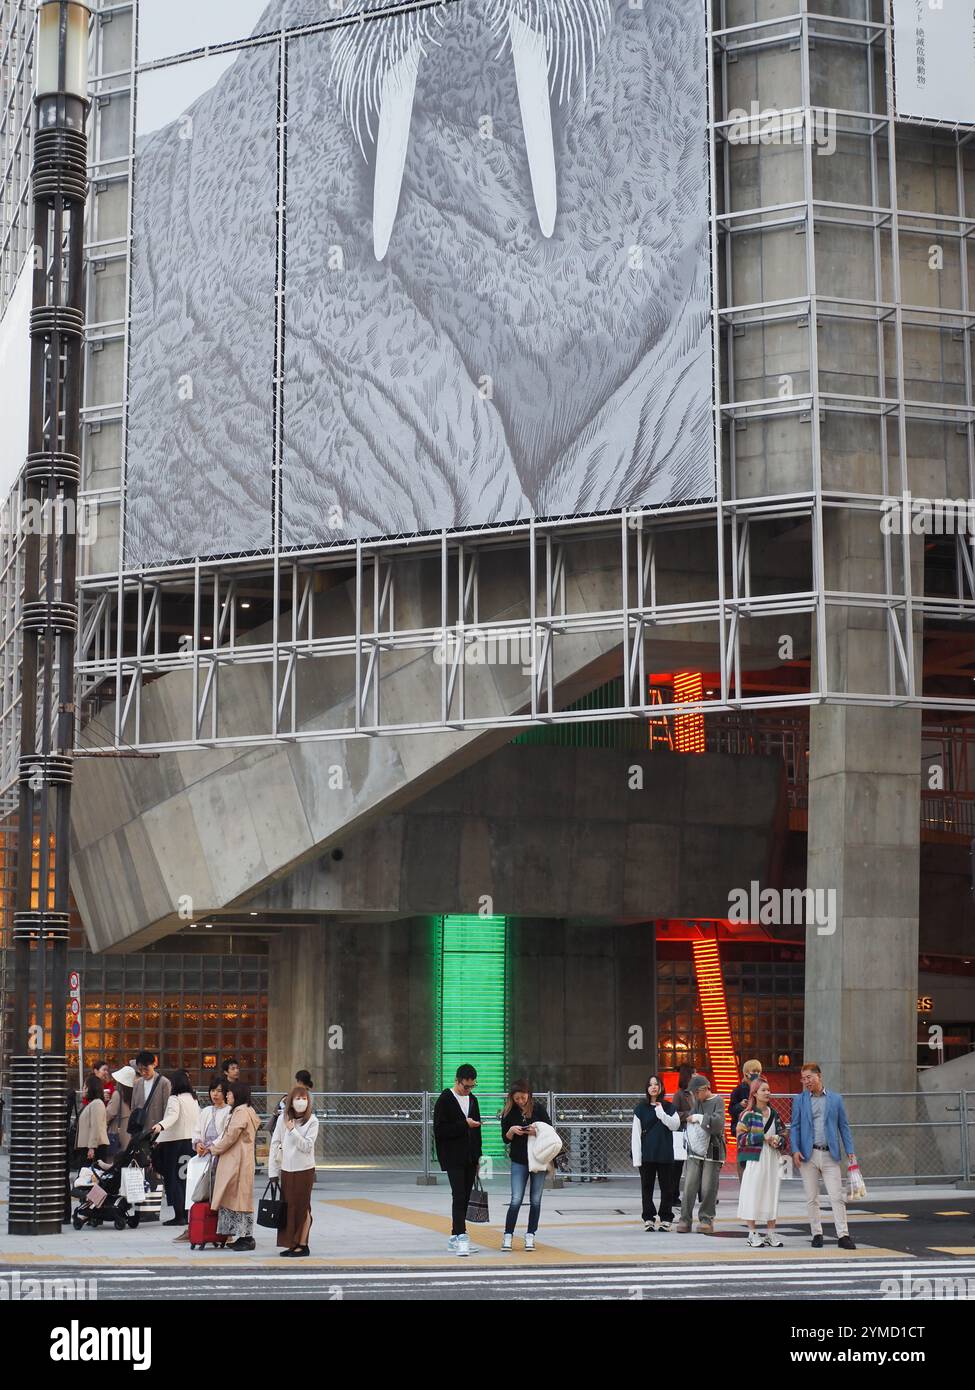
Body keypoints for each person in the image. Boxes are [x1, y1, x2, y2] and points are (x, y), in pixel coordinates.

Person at [789, 1062, 857, 1250]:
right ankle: (816, 1233)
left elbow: (844, 1126)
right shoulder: (800, 1100)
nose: (806, 1082)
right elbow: (794, 1126)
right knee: (812, 1197)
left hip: (830, 1154)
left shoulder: (835, 1099)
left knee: (837, 1196)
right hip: (807, 1155)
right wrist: (795, 1149)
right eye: (803, 1079)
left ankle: (843, 1235)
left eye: (809, 1077)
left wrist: (850, 1150)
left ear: (819, 1076)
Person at [433, 1064, 482, 1257]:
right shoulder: (445, 1100)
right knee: (459, 1195)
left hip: (470, 1156)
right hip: (453, 1156)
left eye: (472, 1086)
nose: (468, 1090)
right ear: (457, 1081)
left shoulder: (473, 1100)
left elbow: (477, 1132)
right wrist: (464, 1124)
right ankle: (462, 1236)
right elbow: (440, 1130)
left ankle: (455, 1236)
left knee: (465, 1196)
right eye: (465, 1086)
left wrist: (478, 1157)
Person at [207, 1080, 261, 1251]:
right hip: (241, 1161)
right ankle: (241, 1235)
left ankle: (247, 1237)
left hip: (237, 1162)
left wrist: (214, 1149)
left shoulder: (240, 1112)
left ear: (237, 1094)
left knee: (240, 1200)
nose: (227, 1095)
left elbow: (230, 1137)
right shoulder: (246, 1111)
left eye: (229, 1093)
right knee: (238, 1199)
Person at [500, 1081, 552, 1251]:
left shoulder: (538, 1109)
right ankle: (508, 1235)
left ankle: (530, 1235)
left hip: (538, 1159)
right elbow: (505, 1138)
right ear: (512, 1098)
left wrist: (535, 1131)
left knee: (535, 1200)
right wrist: (512, 1131)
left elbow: (550, 1130)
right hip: (519, 1159)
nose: (520, 1101)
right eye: (517, 1098)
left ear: (529, 1094)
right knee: (516, 1199)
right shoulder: (508, 1111)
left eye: (523, 1097)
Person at [268, 1085, 319, 1257]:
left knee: (303, 1207)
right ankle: (292, 1242)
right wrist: (272, 1172)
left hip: (304, 1170)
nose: (301, 1102)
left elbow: (307, 1146)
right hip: (287, 1170)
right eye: (297, 1098)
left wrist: (292, 1130)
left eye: (304, 1098)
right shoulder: (283, 1119)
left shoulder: (312, 1121)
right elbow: (275, 1144)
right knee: (289, 1207)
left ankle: (303, 1244)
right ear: (290, 1101)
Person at [736, 1078, 787, 1247]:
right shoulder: (747, 1114)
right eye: (763, 1090)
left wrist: (778, 1140)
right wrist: (763, 1137)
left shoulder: (774, 1113)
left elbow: (784, 1134)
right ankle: (752, 1233)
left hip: (773, 1157)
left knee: (772, 1193)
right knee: (753, 1193)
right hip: (755, 1158)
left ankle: (771, 1233)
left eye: (769, 1089)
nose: (767, 1093)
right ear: (755, 1093)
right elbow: (740, 1138)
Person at [675, 1074, 726, 1235]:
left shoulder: (718, 1101)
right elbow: (691, 1117)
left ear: (704, 1089)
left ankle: (706, 1219)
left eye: (697, 1093)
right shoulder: (698, 1102)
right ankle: (685, 1219)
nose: (695, 1096)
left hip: (713, 1148)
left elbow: (718, 1124)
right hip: (695, 1149)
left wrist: (699, 1118)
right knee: (690, 1184)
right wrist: (696, 1117)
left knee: (708, 1186)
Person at [151, 1069, 200, 1226]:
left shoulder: (175, 1098)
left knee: (173, 1179)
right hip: (190, 1143)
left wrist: (160, 1125)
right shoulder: (193, 1099)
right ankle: (186, 1214)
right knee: (185, 1179)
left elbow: (172, 1116)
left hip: (175, 1143)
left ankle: (179, 1215)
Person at [631, 1075, 679, 1231]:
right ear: (647, 1088)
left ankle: (666, 1218)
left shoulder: (669, 1107)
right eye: (650, 1084)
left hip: (665, 1154)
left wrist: (661, 1113)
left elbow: (675, 1125)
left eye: (656, 1084)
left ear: (661, 1087)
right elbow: (636, 1135)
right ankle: (648, 1218)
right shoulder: (640, 1109)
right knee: (647, 1187)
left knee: (667, 1188)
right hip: (647, 1155)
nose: (653, 1087)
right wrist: (637, 1158)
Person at [730, 1060, 763, 1178]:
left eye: (759, 1071)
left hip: (756, 1128)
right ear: (746, 1073)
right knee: (742, 1159)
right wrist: (740, 1105)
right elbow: (731, 1110)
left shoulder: (761, 1087)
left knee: (756, 1159)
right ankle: (743, 1184)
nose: (757, 1074)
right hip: (742, 1130)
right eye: (754, 1071)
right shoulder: (738, 1090)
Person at [671, 1062, 695, 1220]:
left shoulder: (696, 1093)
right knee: (678, 1166)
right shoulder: (680, 1094)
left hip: (695, 1133)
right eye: (693, 1073)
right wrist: (689, 1115)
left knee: (697, 1163)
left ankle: (702, 1194)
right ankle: (673, 1196)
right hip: (682, 1132)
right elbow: (674, 1113)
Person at [131, 1051, 171, 1134]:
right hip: (140, 1130)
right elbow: (133, 1107)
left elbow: (167, 1108)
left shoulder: (164, 1083)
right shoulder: (137, 1083)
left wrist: (163, 1128)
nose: (143, 1073)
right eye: (140, 1070)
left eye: (146, 1069)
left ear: (154, 1064)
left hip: (157, 1130)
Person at [75, 1074, 109, 1168]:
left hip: (94, 1148)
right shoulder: (92, 1104)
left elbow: (96, 1126)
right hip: (90, 1147)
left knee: (91, 1176)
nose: (83, 1089)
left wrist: (92, 1147)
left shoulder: (96, 1103)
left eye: (85, 1087)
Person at [105, 1065, 135, 1155]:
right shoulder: (134, 1094)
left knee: (113, 1162)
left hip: (117, 1134)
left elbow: (109, 1114)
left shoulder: (117, 1094)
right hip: (129, 1133)